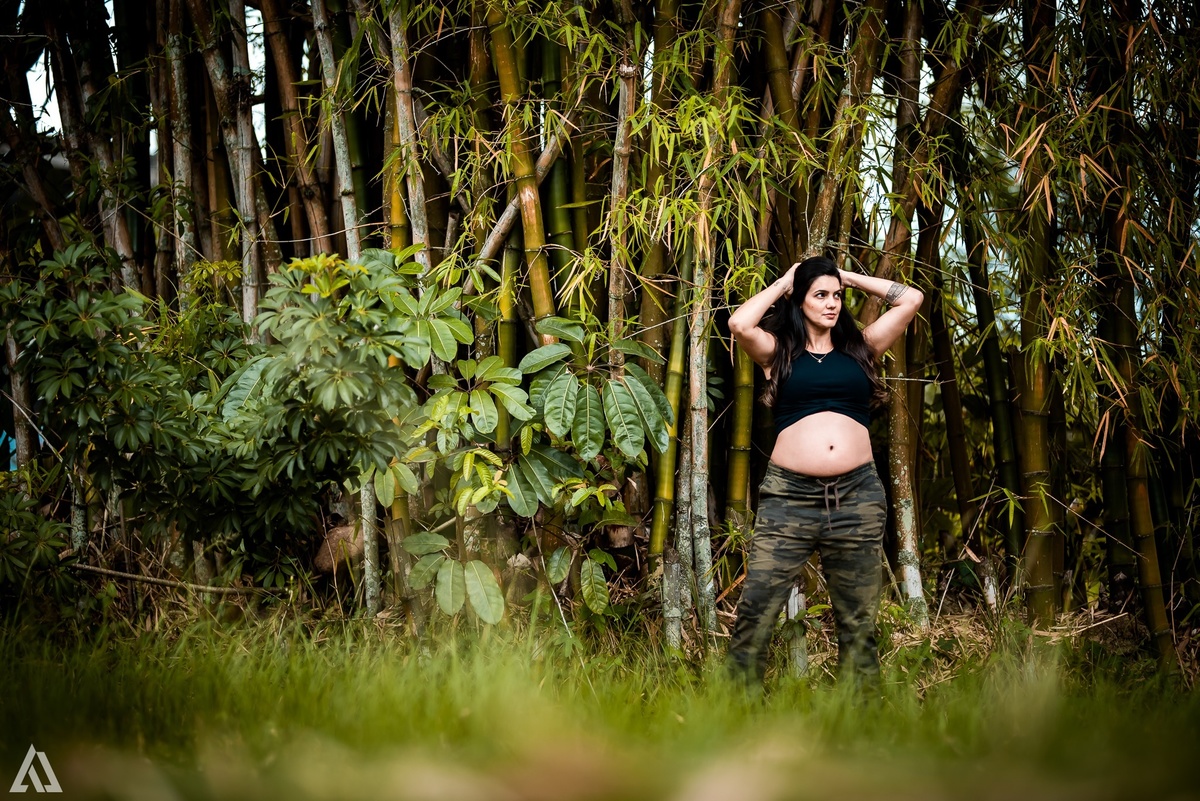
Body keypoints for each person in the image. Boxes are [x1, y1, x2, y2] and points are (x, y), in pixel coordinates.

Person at [725, 255, 923, 684]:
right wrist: (785, 282)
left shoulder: (861, 348)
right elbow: (739, 324)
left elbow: (911, 299)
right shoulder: (778, 352)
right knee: (757, 607)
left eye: (836, 296)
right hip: (789, 497)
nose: (832, 303)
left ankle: (859, 711)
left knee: (858, 618)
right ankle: (737, 706)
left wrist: (845, 275)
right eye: (820, 295)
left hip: (857, 495)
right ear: (800, 300)